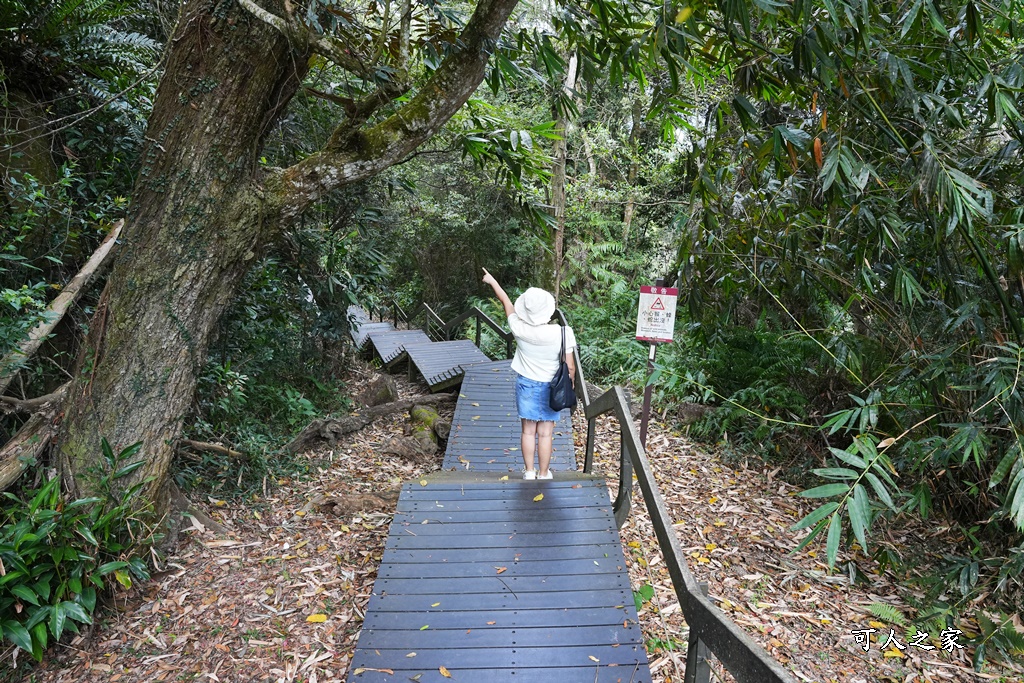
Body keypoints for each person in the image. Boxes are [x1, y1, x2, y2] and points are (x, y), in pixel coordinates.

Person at [482, 268, 576, 480]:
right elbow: (569, 367)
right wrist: (570, 386)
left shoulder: (519, 329)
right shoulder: (562, 333)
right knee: (545, 433)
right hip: (551, 386)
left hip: (526, 385)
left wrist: (493, 281)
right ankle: (544, 473)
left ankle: (529, 472)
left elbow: (506, 303)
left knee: (527, 431)